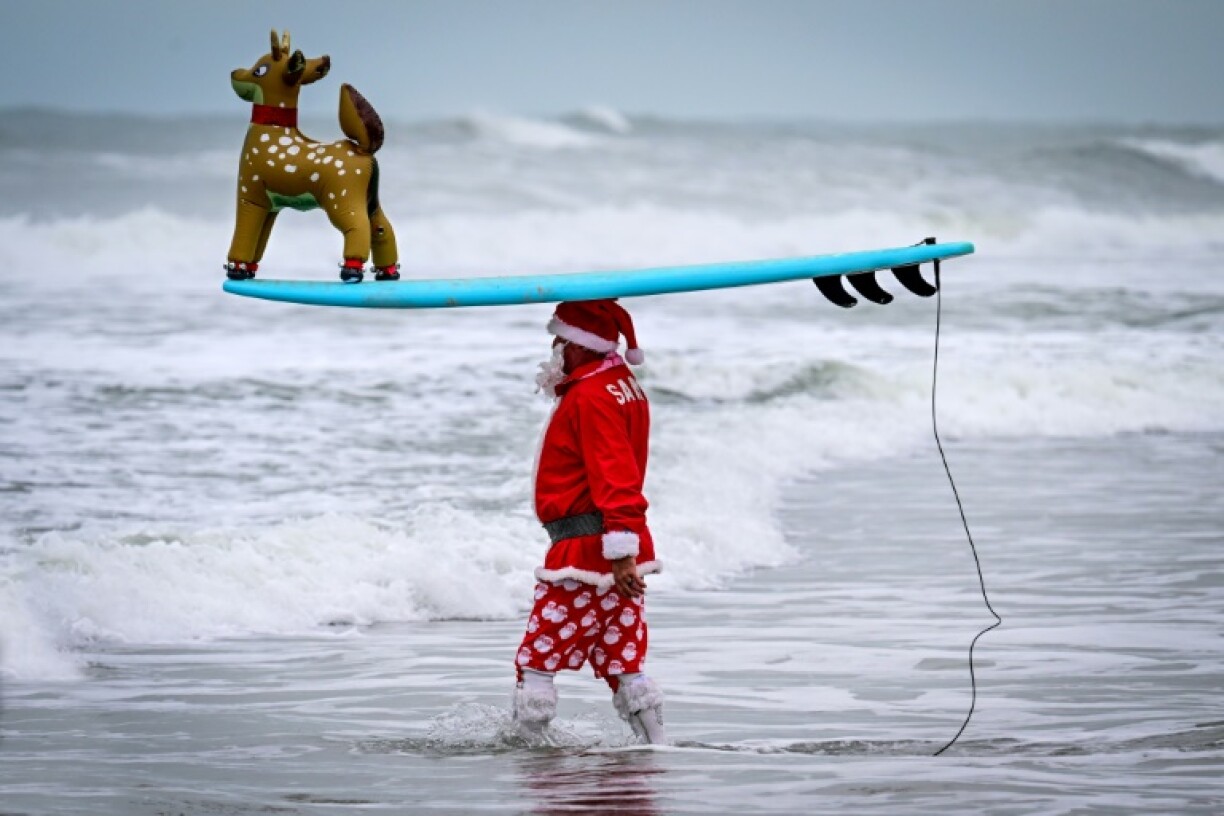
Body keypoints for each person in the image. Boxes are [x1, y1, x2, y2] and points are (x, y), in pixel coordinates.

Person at [512, 299, 666, 744]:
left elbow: (615, 474)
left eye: (560, 340)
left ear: (581, 344)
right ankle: (659, 749)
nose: (554, 349)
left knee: (539, 657)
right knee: (623, 659)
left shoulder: (591, 396)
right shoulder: (623, 384)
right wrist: (626, 552)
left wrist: (619, 555)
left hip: (588, 553)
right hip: (619, 548)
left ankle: (527, 753)